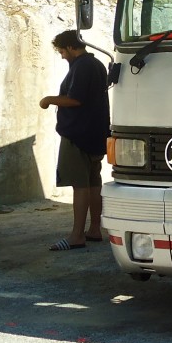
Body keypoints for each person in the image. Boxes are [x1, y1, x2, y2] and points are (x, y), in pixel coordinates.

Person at [39, 29, 109, 251]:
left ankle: (76, 236)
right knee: (93, 183)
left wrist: (49, 100)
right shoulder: (96, 64)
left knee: (80, 186)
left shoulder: (82, 66)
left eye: (61, 51)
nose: (61, 56)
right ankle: (95, 229)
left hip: (78, 135)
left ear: (70, 47)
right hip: (96, 133)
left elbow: (75, 99)